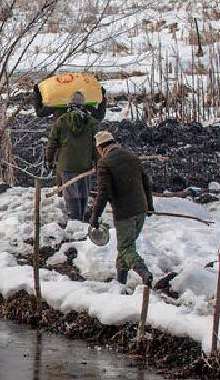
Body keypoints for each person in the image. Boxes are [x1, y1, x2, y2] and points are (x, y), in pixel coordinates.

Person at [89, 130, 155, 288]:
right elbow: (146, 182)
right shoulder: (131, 156)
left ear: (100, 147)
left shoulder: (105, 163)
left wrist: (95, 217)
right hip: (141, 209)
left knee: (126, 248)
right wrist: (149, 206)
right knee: (125, 245)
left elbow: (104, 193)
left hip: (125, 212)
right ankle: (121, 282)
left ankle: (144, 273)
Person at [44, 91, 98, 222]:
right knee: (84, 191)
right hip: (86, 165)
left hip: (66, 164)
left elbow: (52, 142)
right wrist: (98, 162)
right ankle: (82, 219)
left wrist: (49, 160)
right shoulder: (91, 122)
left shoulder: (61, 121)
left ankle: (75, 220)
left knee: (70, 193)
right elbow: (96, 145)